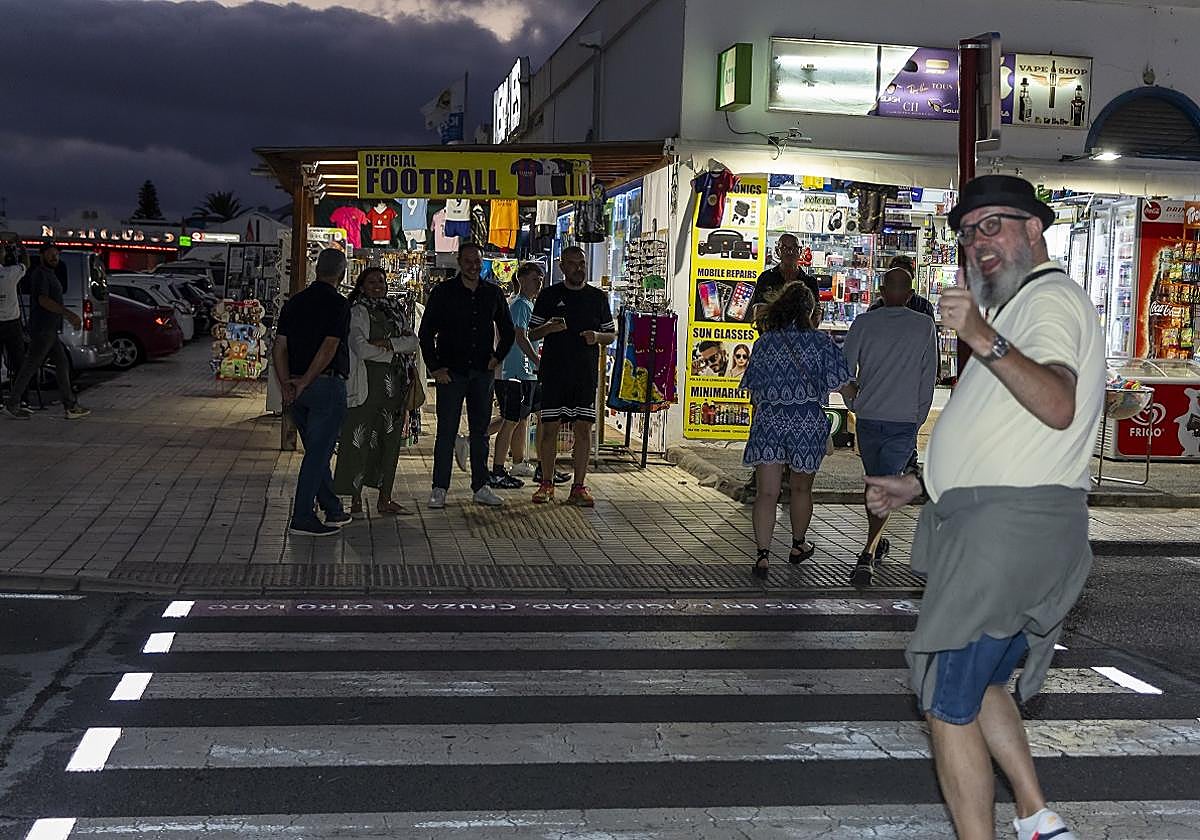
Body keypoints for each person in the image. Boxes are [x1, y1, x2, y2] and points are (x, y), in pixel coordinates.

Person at [863, 175, 1103, 840]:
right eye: (967, 231)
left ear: (1034, 229)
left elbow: (1055, 402)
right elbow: (1014, 430)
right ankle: (1035, 815)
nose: (977, 241)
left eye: (993, 224)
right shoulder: (1026, 305)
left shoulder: (1047, 301)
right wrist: (922, 486)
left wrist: (980, 335)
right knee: (982, 679)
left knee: (946, 699)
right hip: (1013, 524)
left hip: (1007, 531)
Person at [739, 282, 850, 579]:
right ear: (809, 311)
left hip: (769, 421)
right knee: (801, 488)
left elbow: (753, 390)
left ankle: (762, 555)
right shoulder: (821, 343)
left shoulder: (764, 343)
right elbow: (842, 383)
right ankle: (798, 545)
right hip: (806, 421)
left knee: (767, 493)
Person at [842, 266, 938, 586]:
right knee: (883, 484)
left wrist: (853, 401)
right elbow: (928, 377)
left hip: (869, 416)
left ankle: (867, 552)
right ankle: (874, 541)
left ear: (881, 292)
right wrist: (919, 416)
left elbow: (843, 369)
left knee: (875, 484)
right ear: (910, 295)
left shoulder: (864, 322)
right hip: (902, 420)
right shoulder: (924, 326)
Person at [418, 242, 515, 509]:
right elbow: (426, 332)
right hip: (451, 372)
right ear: (459, 262)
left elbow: (508, 330)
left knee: (481, 432)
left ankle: (481, 485)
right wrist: (435, 367)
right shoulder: (443, 292)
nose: (473, 266)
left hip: (481, 373)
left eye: (477, 261)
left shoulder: (493, 294)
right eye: (468, 261)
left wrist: (497, 357)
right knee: (446, 432)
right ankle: (439, 488)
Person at [273, 248, 355, 537]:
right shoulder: (339, 305)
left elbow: (280, 345)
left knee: (315, 452)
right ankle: (302, 516)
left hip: (296, 387)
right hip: (324, 386)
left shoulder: (294, 303)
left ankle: (332, 506)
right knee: (317, 456)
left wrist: (287, 384)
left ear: (316, 270)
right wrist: (307, 380)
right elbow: (329, 346)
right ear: (342, 273)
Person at [528, 245, 616, 506]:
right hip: (554, 372)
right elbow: (531, 333)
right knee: (550, 429)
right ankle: (546, 483)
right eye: (573, 263)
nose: (579, 268)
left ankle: (579, 486)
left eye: (582, 263)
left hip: (584, 373)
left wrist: (597, 337)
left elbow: (611, 334)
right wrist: (550, 328)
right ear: (562, 266)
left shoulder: (597, 298)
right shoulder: (549, 295)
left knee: (583, 430)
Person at [333, 267, 419, 517]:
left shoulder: (395, 310)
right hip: (367, 388)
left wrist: (387, 344)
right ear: (361, 285)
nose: (378, 285)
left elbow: (413, 342)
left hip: (394, 390)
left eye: (381, 281)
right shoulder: (358, 311)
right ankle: (355, 499)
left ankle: (385, 497)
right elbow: (361, 349)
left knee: (389, 442)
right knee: (358, 440)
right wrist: (394, 349)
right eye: (372, 281)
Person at [2, 244, 89, 420]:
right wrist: (69, 314)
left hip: (50, 329)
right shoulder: (41, 275)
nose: (54, 257)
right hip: (43, 329)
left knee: (61, 363)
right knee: (30, 366)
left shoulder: (50, 274)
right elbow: (43, 300)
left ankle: (70, 405)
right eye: (50, 254)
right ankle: (13, 403)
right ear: (42, 255)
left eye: (56, 255)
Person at [491, 262, 545, 488]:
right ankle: (497, 470)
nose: (538, 284)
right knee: (510, 420)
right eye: (534, 279)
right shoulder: (520, 304)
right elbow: (520, 337)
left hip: (522, 372)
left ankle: (518, 461)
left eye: (540, 280)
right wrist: (537, 361)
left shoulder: (523, 304)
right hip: (514, 371)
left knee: (520, 419)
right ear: (521, 279)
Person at [749, 233, 820, 324]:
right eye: (784, 248)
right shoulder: (766, 278)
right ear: (777, 251)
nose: (789, 252)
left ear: (800, 251)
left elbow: (816, 315)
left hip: (801, 336)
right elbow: (759, 313)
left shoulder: (810, 282)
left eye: (794, 248)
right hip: (772, 334)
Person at [0, 244, 29, 406]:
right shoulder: (10, 273)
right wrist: (22, 250)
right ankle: (22, 398)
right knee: (19, 361)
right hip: (11, 322)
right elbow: (26, 264)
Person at [867, 255, 936, 317]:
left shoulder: (924, 306)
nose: (899, 277)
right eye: (895, 272)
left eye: (904, 274)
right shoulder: (876, 307)